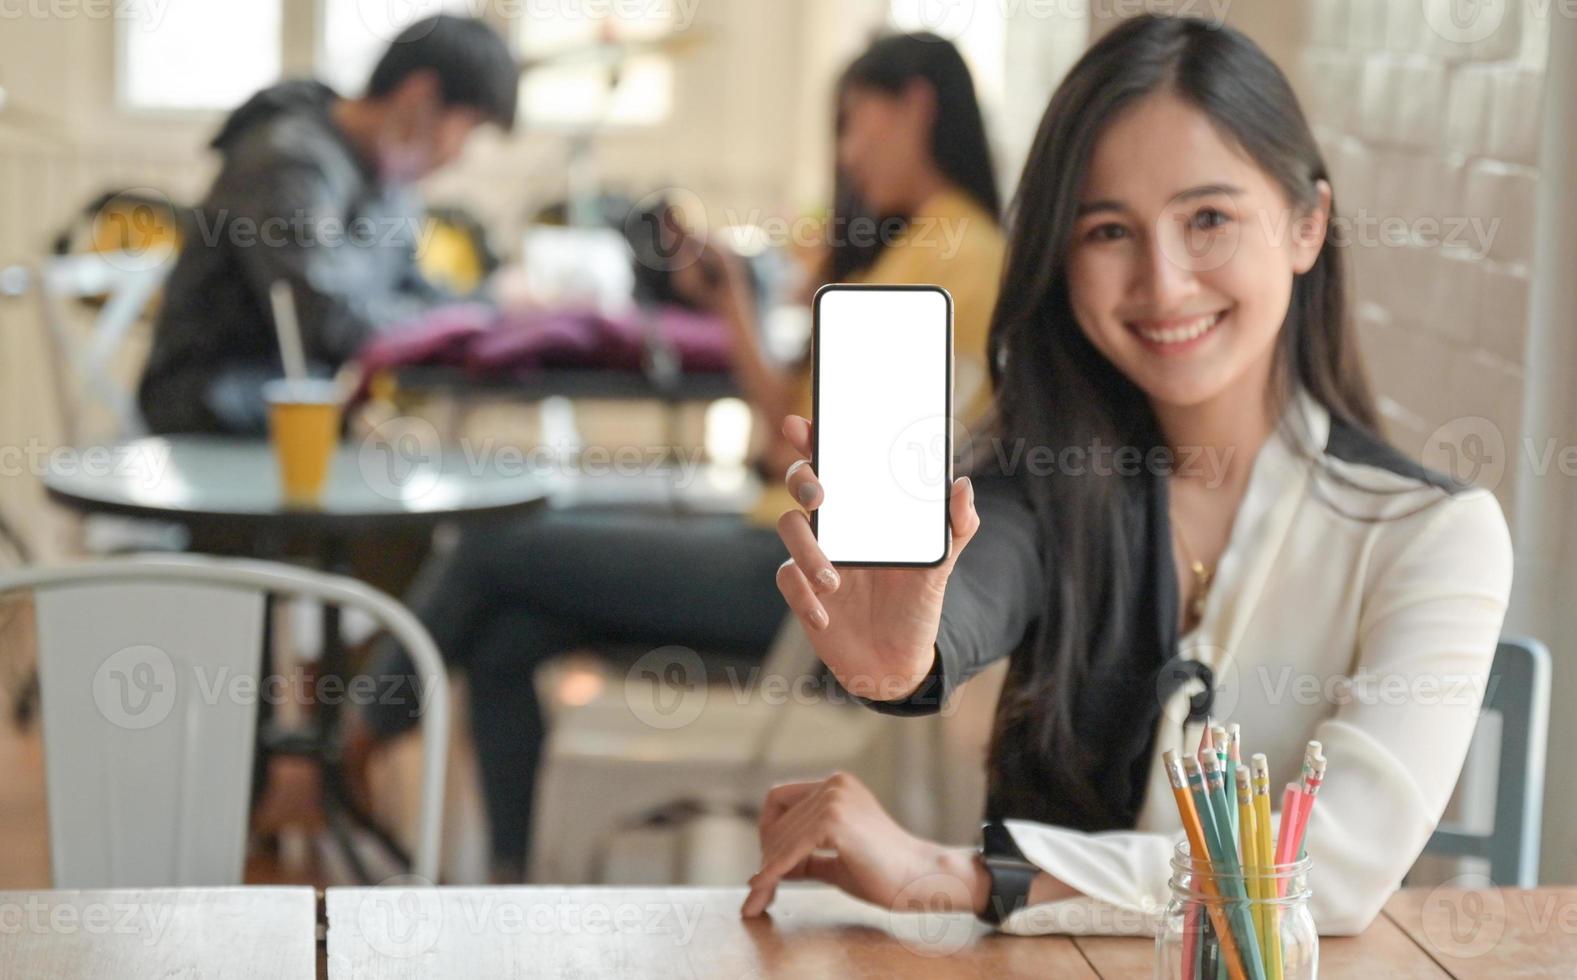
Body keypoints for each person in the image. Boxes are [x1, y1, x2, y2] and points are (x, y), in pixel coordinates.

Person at [741, 15, 1512, 937]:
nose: (1162, 281)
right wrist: (909, 661)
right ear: (1060, 259)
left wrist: (974, 877)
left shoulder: (1432, 536)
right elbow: (979, 582)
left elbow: (1331, 871)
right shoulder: (1041, 481)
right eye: (1108, 230)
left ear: (1307, 225)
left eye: (1209, 220)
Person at [354, 33, 1007, 880]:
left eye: (853, 125)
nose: (845, 153)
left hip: (800, 582)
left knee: (495, 539)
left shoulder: (948, 257)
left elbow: (803, 458)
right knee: (509, 632)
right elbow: (792, 431)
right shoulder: (930, 244)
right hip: (786, 559)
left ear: (915, 104)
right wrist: (733, 301)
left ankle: (348, 745)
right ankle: (511, 880)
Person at [137, 15, 517, 435]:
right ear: (420, 97)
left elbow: (412, 291)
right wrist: (459, 322)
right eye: (469, 128)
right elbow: (327, 320)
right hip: (215, 409)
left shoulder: (387, 175)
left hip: (304, 405)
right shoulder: (285, 161)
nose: (461, 153)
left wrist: (491, 304)